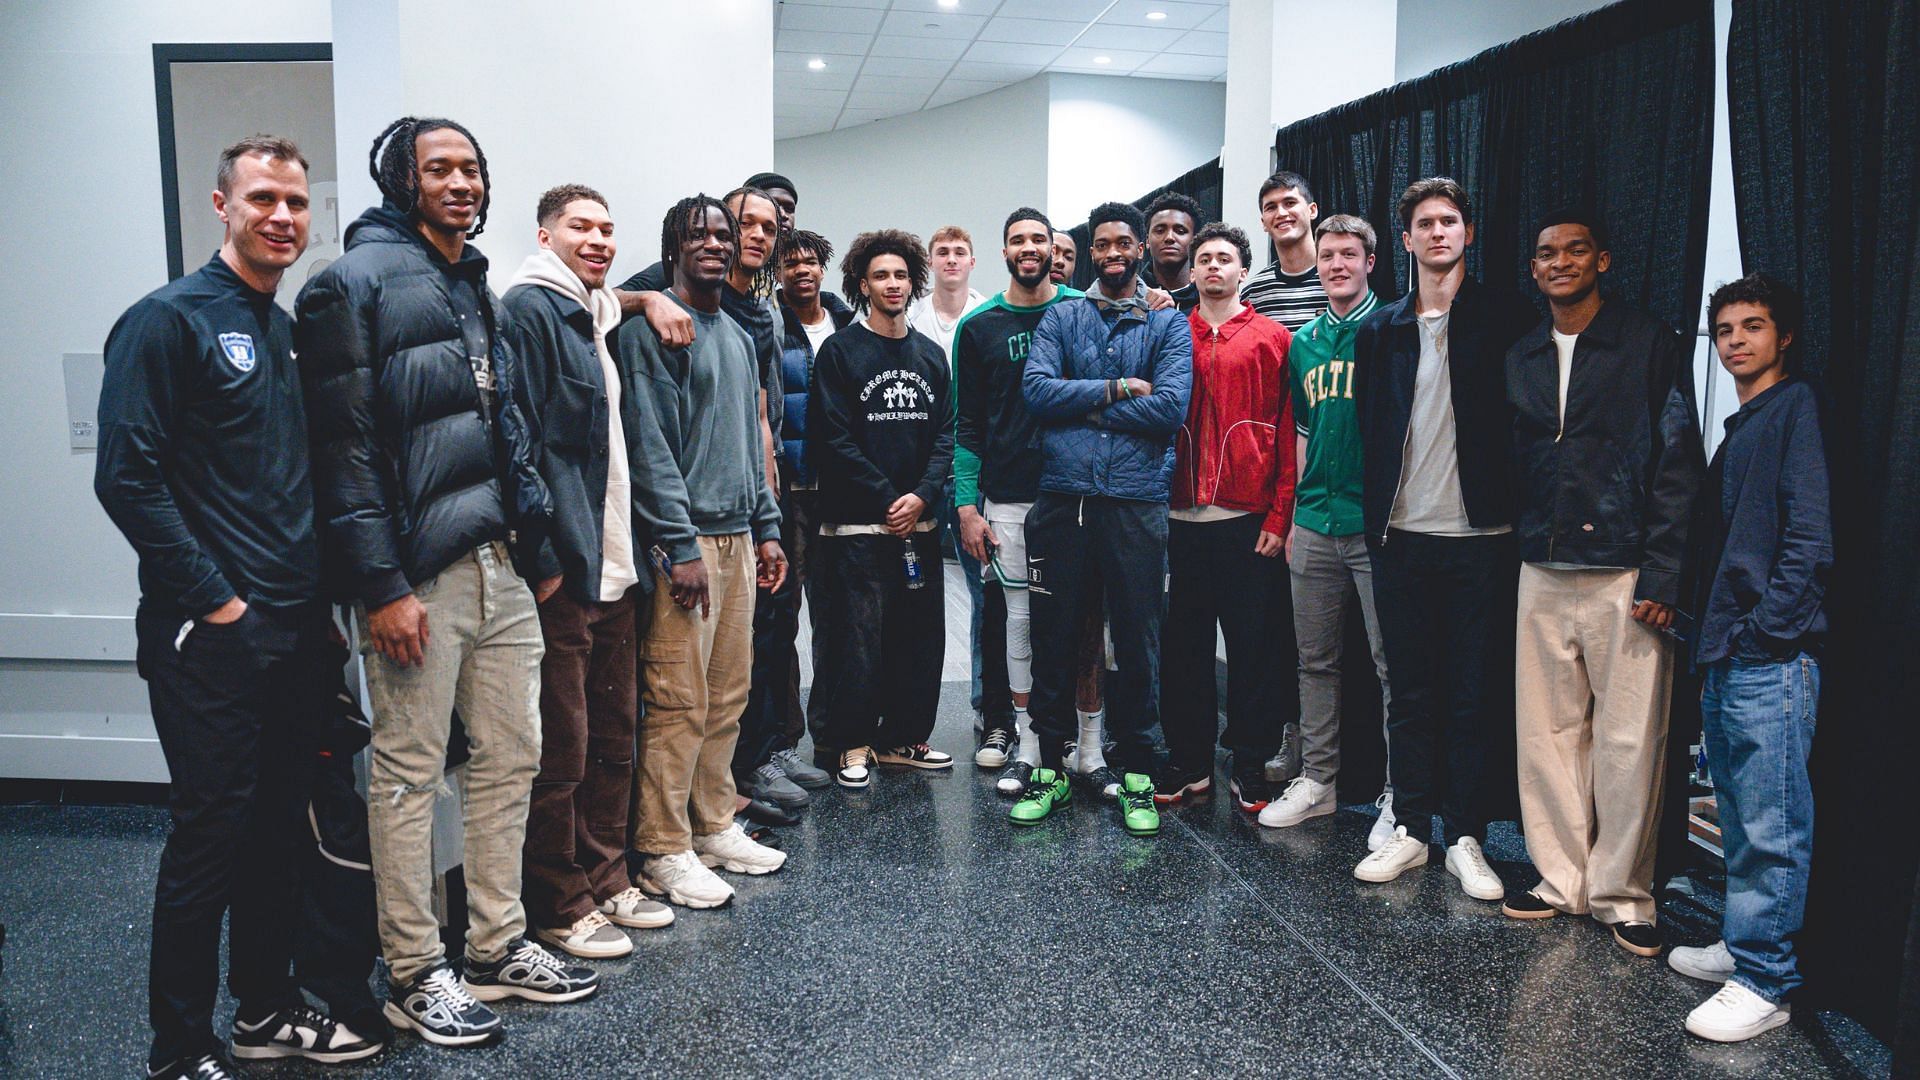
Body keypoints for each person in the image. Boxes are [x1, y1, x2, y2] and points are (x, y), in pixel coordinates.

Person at [297, 116, 596, 1047]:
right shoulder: (348, 285)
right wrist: (381, 586)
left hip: (500, 565)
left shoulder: (476, 284)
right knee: (409, 774)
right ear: (402, 180)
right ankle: (415, 971)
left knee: (514, 754)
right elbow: (342, 457)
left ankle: (496, 944)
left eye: (472, 168)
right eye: (440, 169)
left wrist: (538, 552)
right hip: (414, 579)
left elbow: (506, 428)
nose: (461, 183)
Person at [99, 136, 381, 1079]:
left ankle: (262, 1011)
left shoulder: (285, 324)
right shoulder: (167, 320)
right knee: (208, 844)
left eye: (297, 203)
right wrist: (217, 601)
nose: (282, 217)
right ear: (221, 205)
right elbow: (126, 480)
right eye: (262, 198)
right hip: (211, 639)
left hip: (298, 635)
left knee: (277, 838)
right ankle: (180, 1050)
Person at [1501, 208, 1704, 956]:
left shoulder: (1648, 343)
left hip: (1626, 571)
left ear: (1603, 261)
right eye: (1547, 251)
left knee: (1628, 739)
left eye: (1575, 250)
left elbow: (1678, 462)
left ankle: (1625, 894)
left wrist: (1665, 573)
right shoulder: (1521, 353)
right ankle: (1561, 881)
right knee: (1545, 737)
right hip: (1540, 566)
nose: (1560, 261)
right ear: (1534, 268)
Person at [502, 184, 676, 961]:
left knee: (613, 737)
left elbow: (613, 298)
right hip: (567, 573)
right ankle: (558, 901)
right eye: (581, 227)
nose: (599, 239)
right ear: (546, 236)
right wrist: (543, 564)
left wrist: (645, 301)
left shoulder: (593, 309)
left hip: (616, 568)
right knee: (561, 751)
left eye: (608, 227)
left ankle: (608, 879)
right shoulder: (530, 310)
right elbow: (518, 445)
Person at [1350, 177, 1536, 897]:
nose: (1436, 233)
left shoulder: (1503, 318)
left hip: (1481, 535)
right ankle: (1410, 829)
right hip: (1402, 536)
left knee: (1470, 693)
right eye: (1424, 223)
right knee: (1411, 692)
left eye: (1449, 221)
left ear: (1468, 233)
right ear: (1405, 240)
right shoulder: (1382, 329)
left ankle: (1465, 834)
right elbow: (1370, 428)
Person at [1670, 275, 1829, 1043]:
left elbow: (1809, 540)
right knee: (1736, 811)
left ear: (1783, 336)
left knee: (1772, 823)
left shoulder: (1794, 409)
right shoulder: (1744, 421)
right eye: (1725, 329)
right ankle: (1741, 944)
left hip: (1772, 655)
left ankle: (1766, 979)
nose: (1736, 340)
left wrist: (1768, 632)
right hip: (1730, 651)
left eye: (1753, 326)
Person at [620, 194, 790, 909]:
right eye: (700, 235)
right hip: (682, 549)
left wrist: (769, 525)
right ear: (671, 252)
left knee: (728, 697)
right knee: (677, 702)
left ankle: (712, 821)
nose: (717, 244)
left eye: (725, 234)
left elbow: (752, 443)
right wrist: (678, 542)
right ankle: (663, 846)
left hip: (737, 540)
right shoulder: (651, 333)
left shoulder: (740, 333)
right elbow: (651, 447)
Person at [1017, 200, 1193, 836]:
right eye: (1103, 244)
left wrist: (1080, 407)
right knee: (1056, 638)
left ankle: (1139, 775)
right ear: (1091, 251)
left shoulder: (1168, 324)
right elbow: (1037, 394)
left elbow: (1171, 410)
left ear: (1142, 247)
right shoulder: (1064, 315)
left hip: (1136, 502)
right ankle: (1049, 770)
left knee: (1139, 643)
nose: (1114, 252)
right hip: (1065, 500)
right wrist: (1117, 391)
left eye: (1126, 242)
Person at [1261, 215, 1396, 847]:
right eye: (1328, 255)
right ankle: (1319, 781)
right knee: (1314, 660)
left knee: (1390, 662)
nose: (1337, 264)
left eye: (1349, 254)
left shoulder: (1395, 331)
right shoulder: (1304, 343)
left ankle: (1402, 794)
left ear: (1371, 261)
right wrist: (1288, 517)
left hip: (1380, 526)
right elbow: (1300, 434)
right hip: (1314, 521)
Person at [808, 230, 956, 787]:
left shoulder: (930, 355)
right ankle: (852, 743)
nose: (892, 285)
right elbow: (833, 439)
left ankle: (901, 739)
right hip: (858, 527)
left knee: (918, 641)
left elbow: (946, 434)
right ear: (862, 285)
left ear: (912, 281)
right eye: (880, 277)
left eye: (899, 275)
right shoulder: (840, 351)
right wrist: (887, 496)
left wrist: (922, 495)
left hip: (919, 523)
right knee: (858, 642)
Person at [1157, 223, 1294, 814]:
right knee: (1183, 649)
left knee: (1252, 649)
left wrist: (1280, 515)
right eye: (1204, 258)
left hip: (1247, 519)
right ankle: (1190, 761)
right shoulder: (1169, 334)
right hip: (1177, 519)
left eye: (1224, 259)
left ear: (1244, 271)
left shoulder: (1273, 339)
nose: (1213, 267)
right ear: (1191, 272)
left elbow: (1289, 433)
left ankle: (1249, 761)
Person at [952, 208, 1087, 792]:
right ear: (1003, 250)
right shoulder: (979, 325)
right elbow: (967, 425)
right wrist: (965, 506)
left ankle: (1082, 742)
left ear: (1054, 248)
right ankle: (1026, 739)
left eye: (1038, 239)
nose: (1028, 248)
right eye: (1017, 240)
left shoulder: (1082, 309)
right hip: (1007, 495)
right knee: (1018, 622)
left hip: (1077, 492)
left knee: (1080, 620)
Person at [905, 225, 1004, 754]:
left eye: (959, 252)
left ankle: (987, 704)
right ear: (930, 260)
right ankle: (902, 706)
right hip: (921, 471)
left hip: (971, 468)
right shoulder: (909, 314)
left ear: (972, 259)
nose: (950, 259)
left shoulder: (989, 315)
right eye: (941, 252)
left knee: (984, 590)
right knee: (913, 589)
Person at [773, 230, 854, 770]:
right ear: (777, 272)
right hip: (789, 489)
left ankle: (832, 733)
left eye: (810, 262)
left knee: (838, 617)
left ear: (823, 268)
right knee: (781, 618)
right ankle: (781, 742)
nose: (801, 270)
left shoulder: (849, 324)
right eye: (790, 262)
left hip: (841, 492)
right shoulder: (767, 323)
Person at [1240, 170, 1327, 333]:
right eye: (1271, 207)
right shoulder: (1253, 294)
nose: (1281, 213)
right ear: (1264, 222)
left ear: (1312, 210)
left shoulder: (1339, 277)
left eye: (1290, 203)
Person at [1143, 191, 1203, 311]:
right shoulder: (1131, 296)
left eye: (1180, 231)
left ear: (1195, 241)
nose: (1169, 237)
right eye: (1160, 231)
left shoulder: (1209, 298)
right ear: (1147, 241)